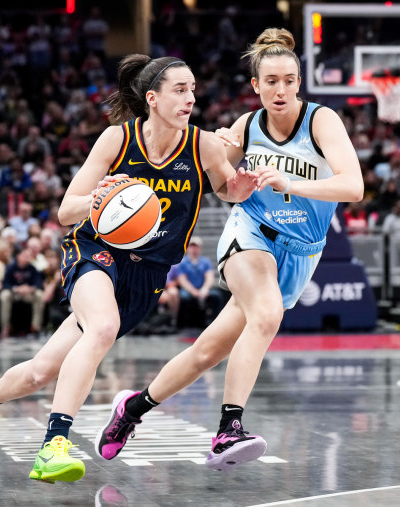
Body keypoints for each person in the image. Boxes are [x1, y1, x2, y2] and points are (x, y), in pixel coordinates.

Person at [0, 54, 258, 483]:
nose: (190, 98)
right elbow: (68, 210)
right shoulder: (115, 141)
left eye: (193, 89)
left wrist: (240, 188)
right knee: (102, 327)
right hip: (96, 252)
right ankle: (54, 445)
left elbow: (226, 188)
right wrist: (104, 198)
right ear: (152, 98)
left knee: (41, 371)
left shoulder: (204, 146)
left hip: (148, 275)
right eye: (180, 90)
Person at [94, 28, 362, 471]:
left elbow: (353, 186)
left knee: (206, 352)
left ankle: (133, 410)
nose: (280, 90)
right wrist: (221, 145)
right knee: (267, 314)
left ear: (299, 82)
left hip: (302, 252)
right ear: (255, 86)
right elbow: (220, 170)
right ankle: (228, 429)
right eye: (270, 81)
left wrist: (290, 182)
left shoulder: (321, 121)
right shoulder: (246, 126)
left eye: (289, 80)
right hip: (252, 233)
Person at [0, 248, 44, 339]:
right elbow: (5, 283)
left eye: (28, 256)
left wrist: (30, 288)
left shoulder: (32, 268)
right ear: (18, 256)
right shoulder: (11, 267)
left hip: (28, 294)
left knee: (39, 295)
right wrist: (16, 288)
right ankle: (5, 327)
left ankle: (35, 326)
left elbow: (38, 283)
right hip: (14, 293)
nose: (27, 257)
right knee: (4, 295)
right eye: (25, 255)